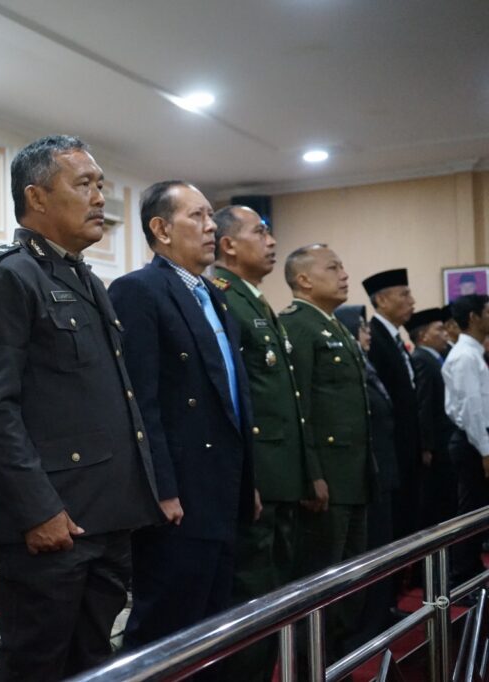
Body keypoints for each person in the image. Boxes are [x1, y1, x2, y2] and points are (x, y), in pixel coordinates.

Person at [0, 135, 161, 681]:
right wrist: (36, 510)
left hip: (105, 517)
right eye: (83, 184)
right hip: (50, 523)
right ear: (37, 196)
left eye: (100, 185)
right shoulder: (4, 276)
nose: (99, 198)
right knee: (36, 667)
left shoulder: (85, 278)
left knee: (92, 665)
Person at [109, 180, 255, 657]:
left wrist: (248, 481)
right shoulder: (139, 290)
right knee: (167, 630)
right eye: (197, 216)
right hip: (179, 496)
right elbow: (141, 401)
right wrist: (161, 489)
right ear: (161, 229)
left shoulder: (213, 295)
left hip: (222, 489)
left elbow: (233, 399)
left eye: (211, 215)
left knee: (214, 630)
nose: (211, 226)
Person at [211, 205, 311, 682]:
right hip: (259, 476)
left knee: (275, 591)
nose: (272, 242)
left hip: (280, 474)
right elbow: (236, 398)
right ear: (228, 244)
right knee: (252, 595)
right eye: (260, 232)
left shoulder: (254, 300)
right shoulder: (224, 298)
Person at [280, 244, 371, 660]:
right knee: (320, 586)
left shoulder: (332, 325)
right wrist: (310, 473)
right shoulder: (299, 326)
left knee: (349, 587)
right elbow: (298, 408)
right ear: (304, 280)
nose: (344, 274)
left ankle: (336, 662)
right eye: (333, 268)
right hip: (327, 481)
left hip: (352, 477)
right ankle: (311, 666)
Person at [334, 305, 399, 644]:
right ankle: (365, 626)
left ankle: (380, 616)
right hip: (365, 475)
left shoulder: (367, 366)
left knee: (384, 548)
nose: (367, 332)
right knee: (369, 551)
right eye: (361, 327)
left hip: (382, 471)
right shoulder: (353, 371)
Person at [363, 269, 427, 542]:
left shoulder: (395, 338)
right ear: (382, 300)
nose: (412, 301)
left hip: (407, 447)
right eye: (404, 294)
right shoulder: (375, 339)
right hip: (392, 448)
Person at [442, 294, 489, 581]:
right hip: (472, 442)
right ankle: (463, 574)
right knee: (471, 511)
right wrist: (485, 450)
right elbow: (471, 409)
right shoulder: (464, 356)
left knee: (478, 509)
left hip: (477, 440)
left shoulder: (473, 352)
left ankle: (471, 570)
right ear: (473, 317)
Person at [406, 307, 458, 530]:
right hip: (438, 442)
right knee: (438, 500)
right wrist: (426, 445)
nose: (445, 334)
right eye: (439, 330)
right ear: (423, 335)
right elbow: (424, 405)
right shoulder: (422, 359)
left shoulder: (436, 358)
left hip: (446, 438)